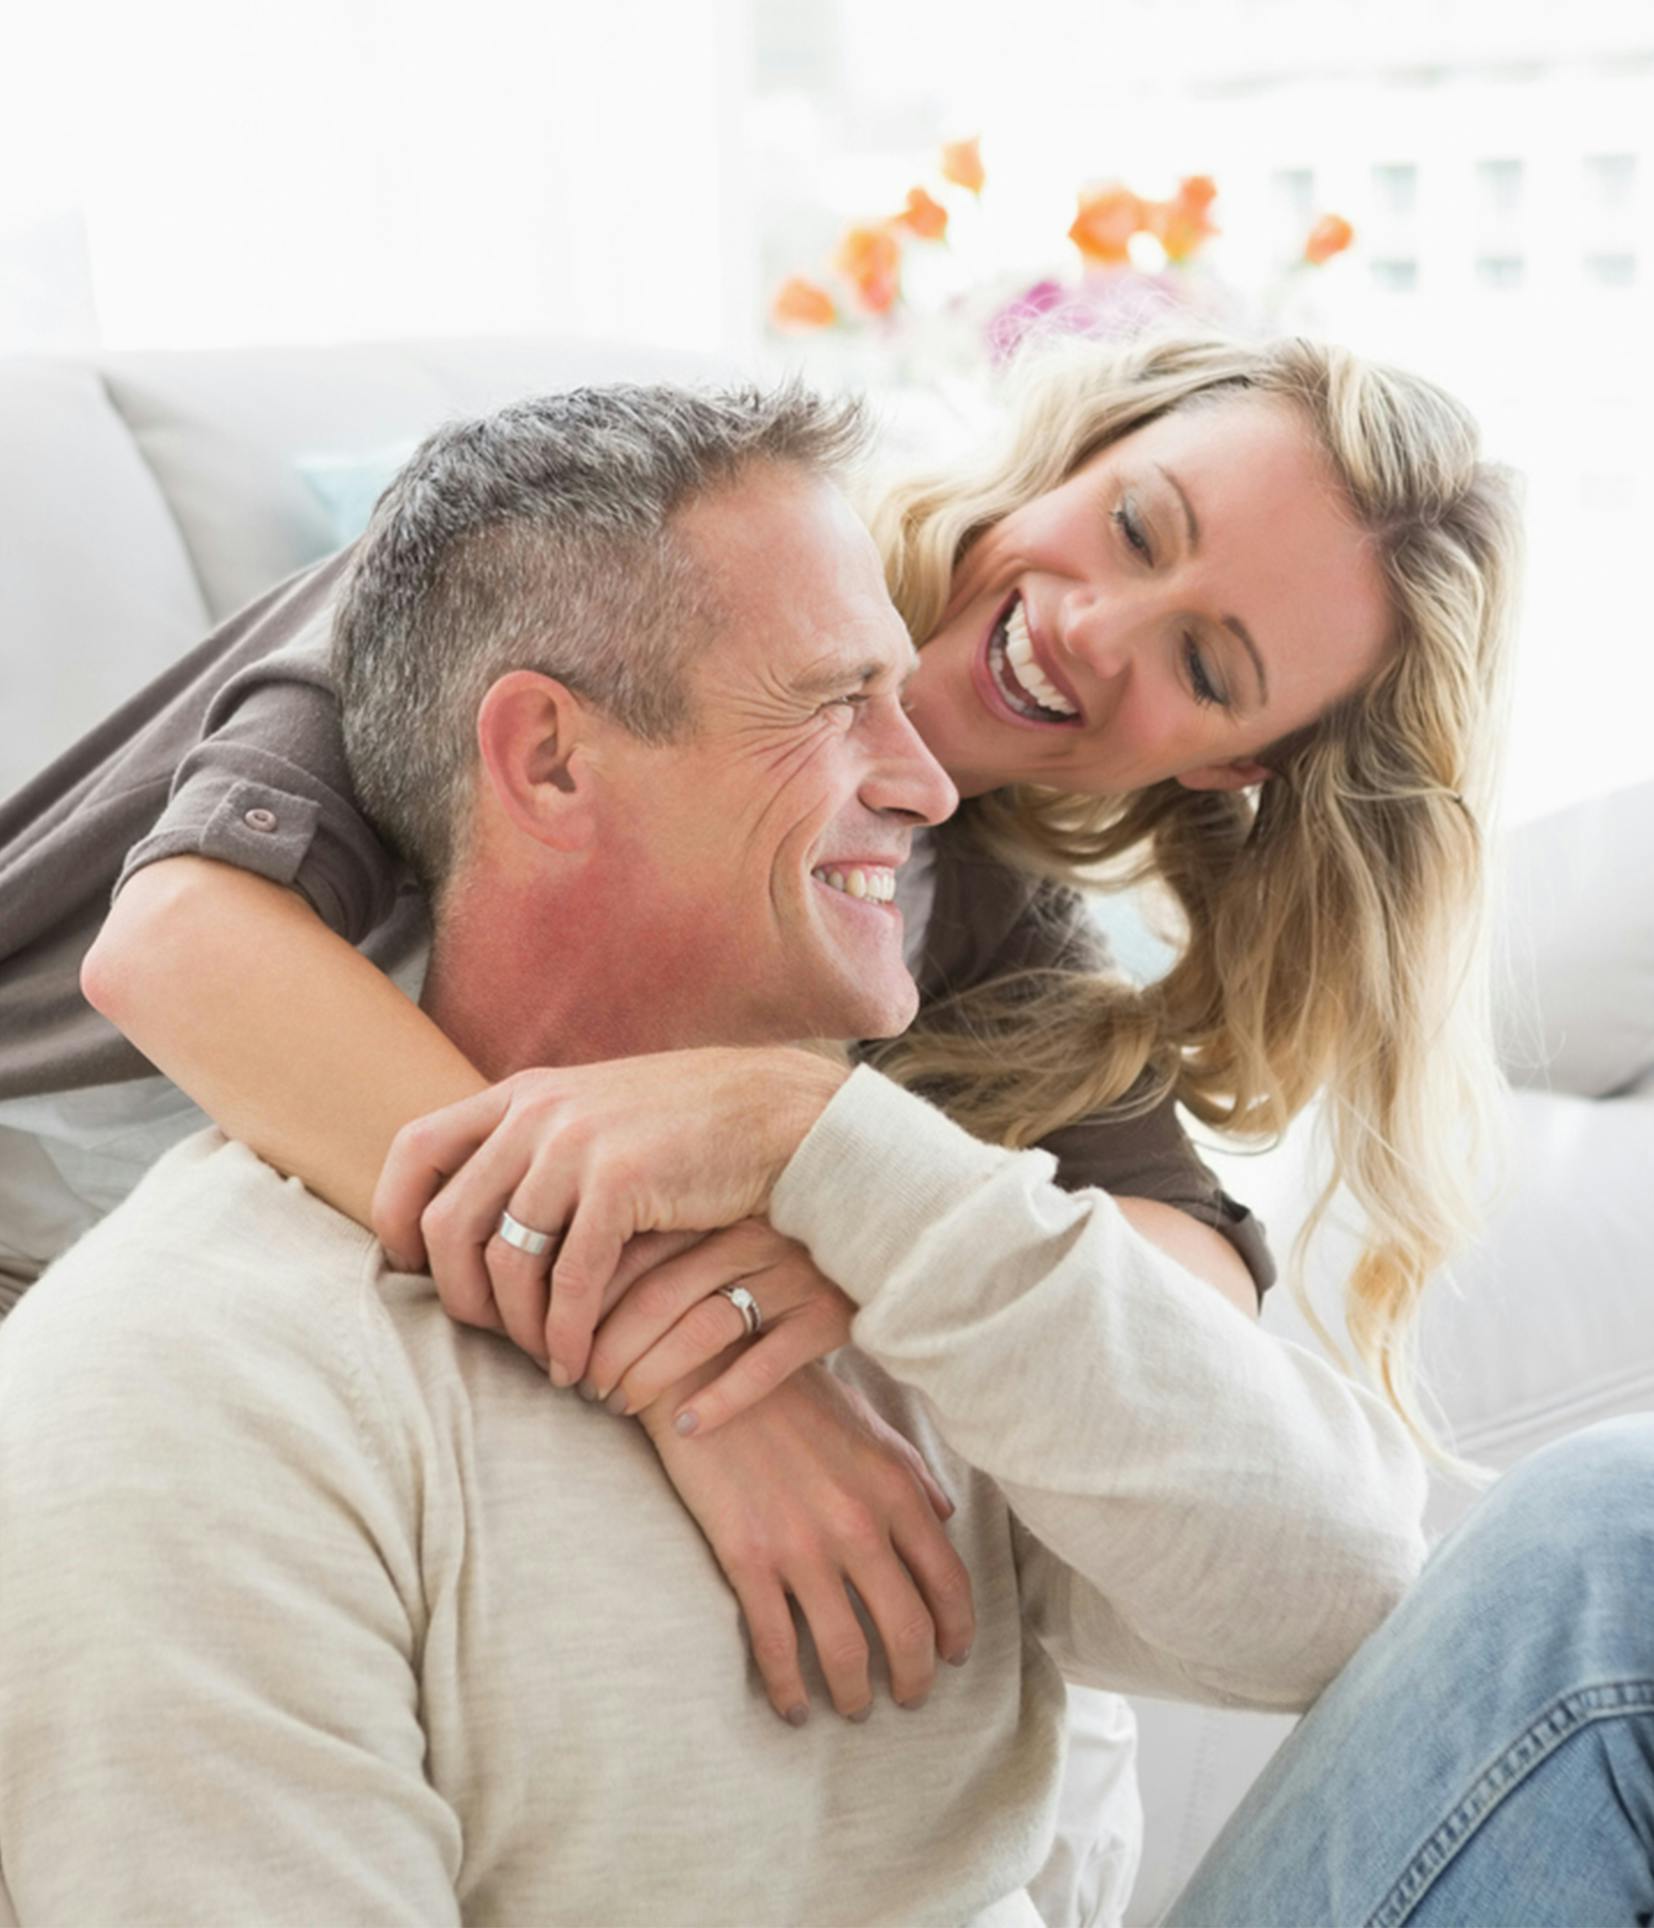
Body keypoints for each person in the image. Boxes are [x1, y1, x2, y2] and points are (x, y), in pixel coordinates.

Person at [0, 382, 1434, 1925]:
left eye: (1205, 665)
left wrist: (888, 1194)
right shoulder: (582, 569)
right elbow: (180, 946)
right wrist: (688, 1369)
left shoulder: (998, 954)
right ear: (1064, 461)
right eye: (1137, 527)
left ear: (1232, 767)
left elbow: (1194, 1373)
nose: (1100, 627)